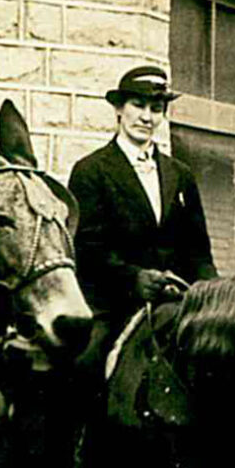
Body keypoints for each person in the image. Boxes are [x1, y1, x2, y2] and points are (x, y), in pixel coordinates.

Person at [67, 61, 218, 336]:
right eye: (138, 105)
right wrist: (133, 278)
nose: (146, 117)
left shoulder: (180, 174)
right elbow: (87, 250)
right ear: (119, 109)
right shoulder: (91, 170)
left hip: (176, 305)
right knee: (88, 360)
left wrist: (212, 294)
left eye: (156, 109)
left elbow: (198, 250)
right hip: (113, 307)